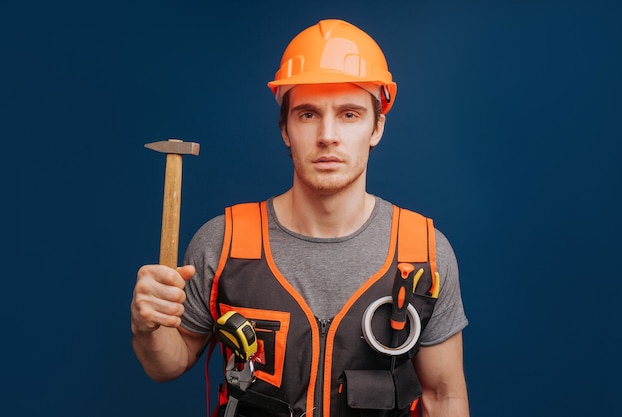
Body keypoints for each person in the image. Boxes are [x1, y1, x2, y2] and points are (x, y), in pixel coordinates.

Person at [131, 18, 470, 417]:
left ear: (377, 127)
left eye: (349, 114)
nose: (328, 135)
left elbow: (444, 398)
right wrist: (147, 327)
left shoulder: (425, 253)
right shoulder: (223, 243)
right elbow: (167, 365)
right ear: (285, 129)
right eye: (308, 114)